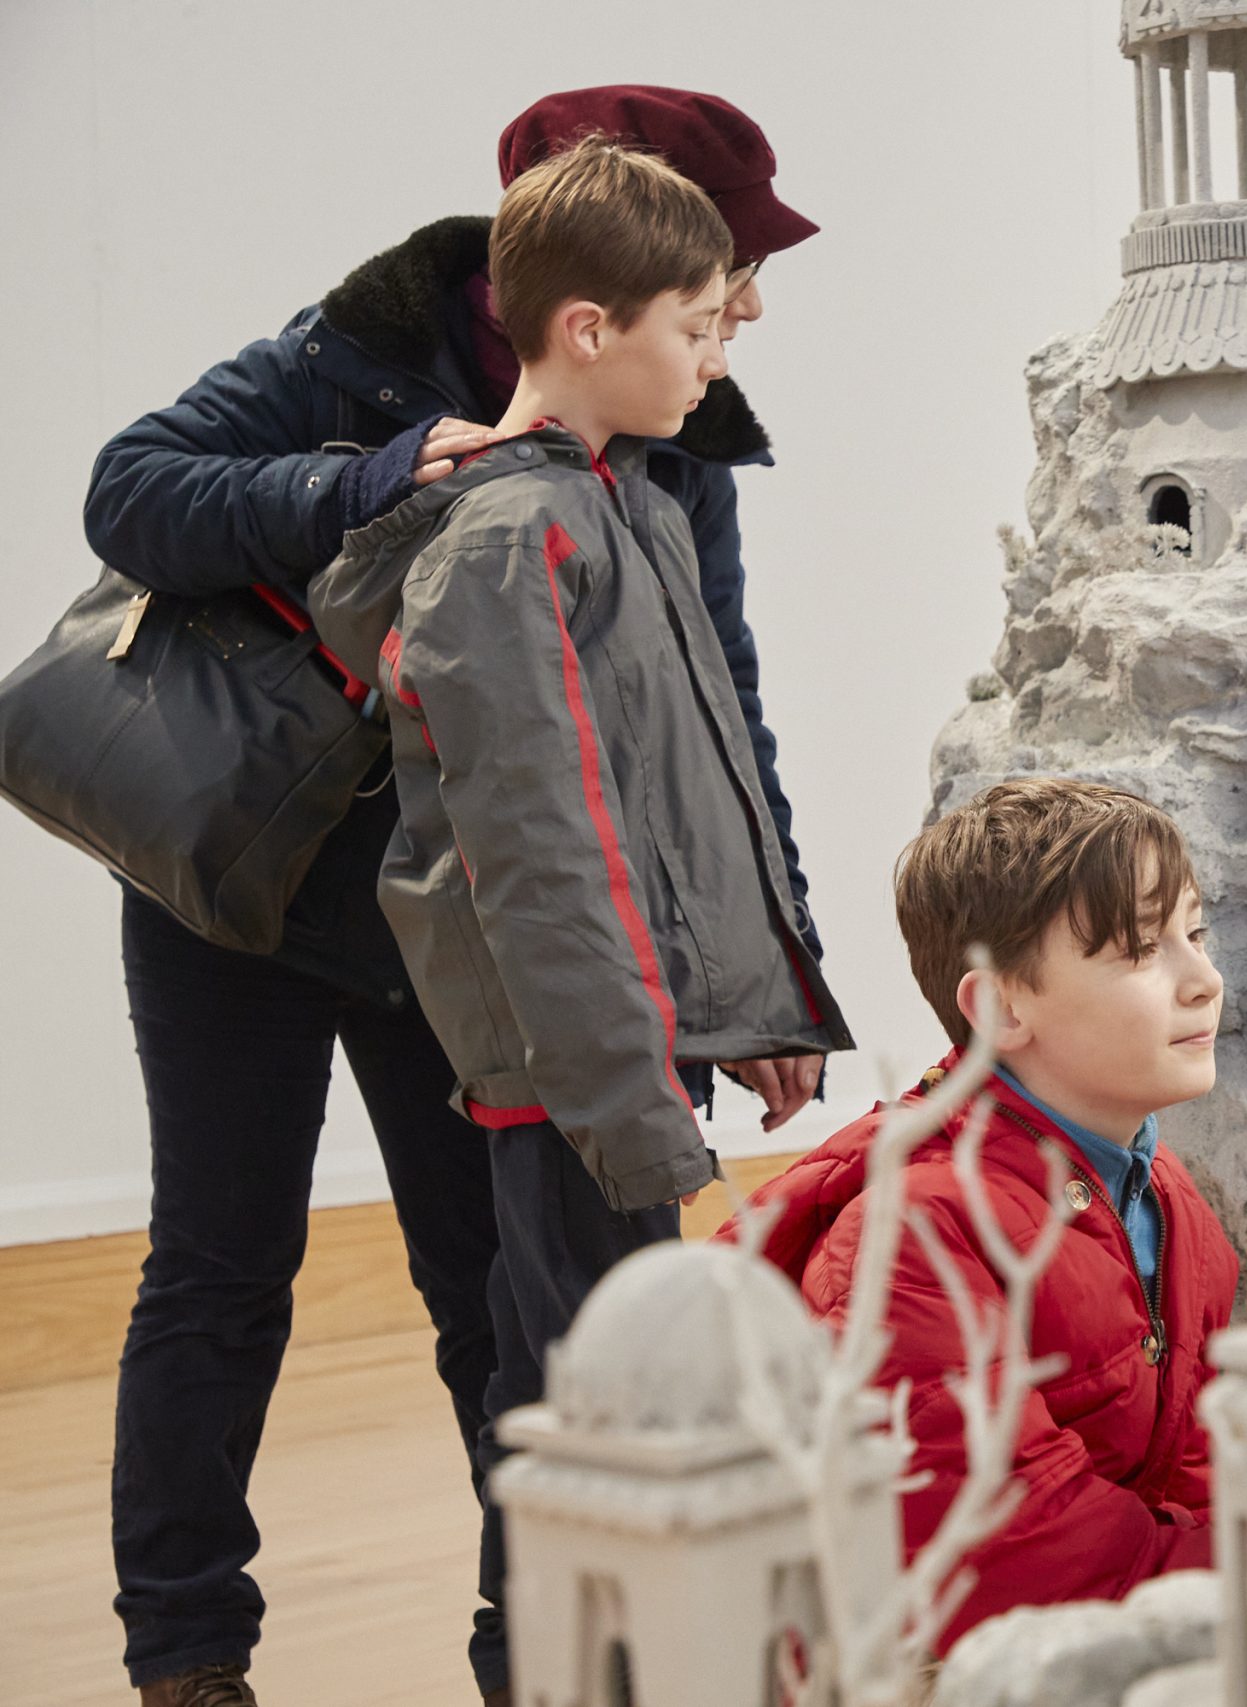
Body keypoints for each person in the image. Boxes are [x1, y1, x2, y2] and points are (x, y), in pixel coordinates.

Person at [83, 85, 829, 1707]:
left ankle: (533, 1642)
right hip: (246, 888)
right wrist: (372, 473)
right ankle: (186, 1644)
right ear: (602, 249)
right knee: (220, 1265)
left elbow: (718, 713)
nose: (751, 304)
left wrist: (780, 966)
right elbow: (131, 489)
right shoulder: (361, 348)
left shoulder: (674, 450)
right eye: (726, 264)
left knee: (490, 1292)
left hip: (464, 927)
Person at [307, 133, 854, 1703]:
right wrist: (625, 1088)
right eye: (696, 325)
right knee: (595, 1413)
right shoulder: (506, 541)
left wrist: (756, 1009)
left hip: (625, 1049)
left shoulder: (634, 513)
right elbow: (542, 850)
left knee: (625, 1394)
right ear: (591, 329)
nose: (714, 356)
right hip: (570, 1065)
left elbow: (693, 790)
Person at [731, 778, 1241, 1650]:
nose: (1204, 980)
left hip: (1120, 1618)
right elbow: (1008, 1550)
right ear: (1003, 1006)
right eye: (1141, 950)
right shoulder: (914, 1241)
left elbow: (1196, 1468)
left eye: (1194, 934)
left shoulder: (1169, 1201)